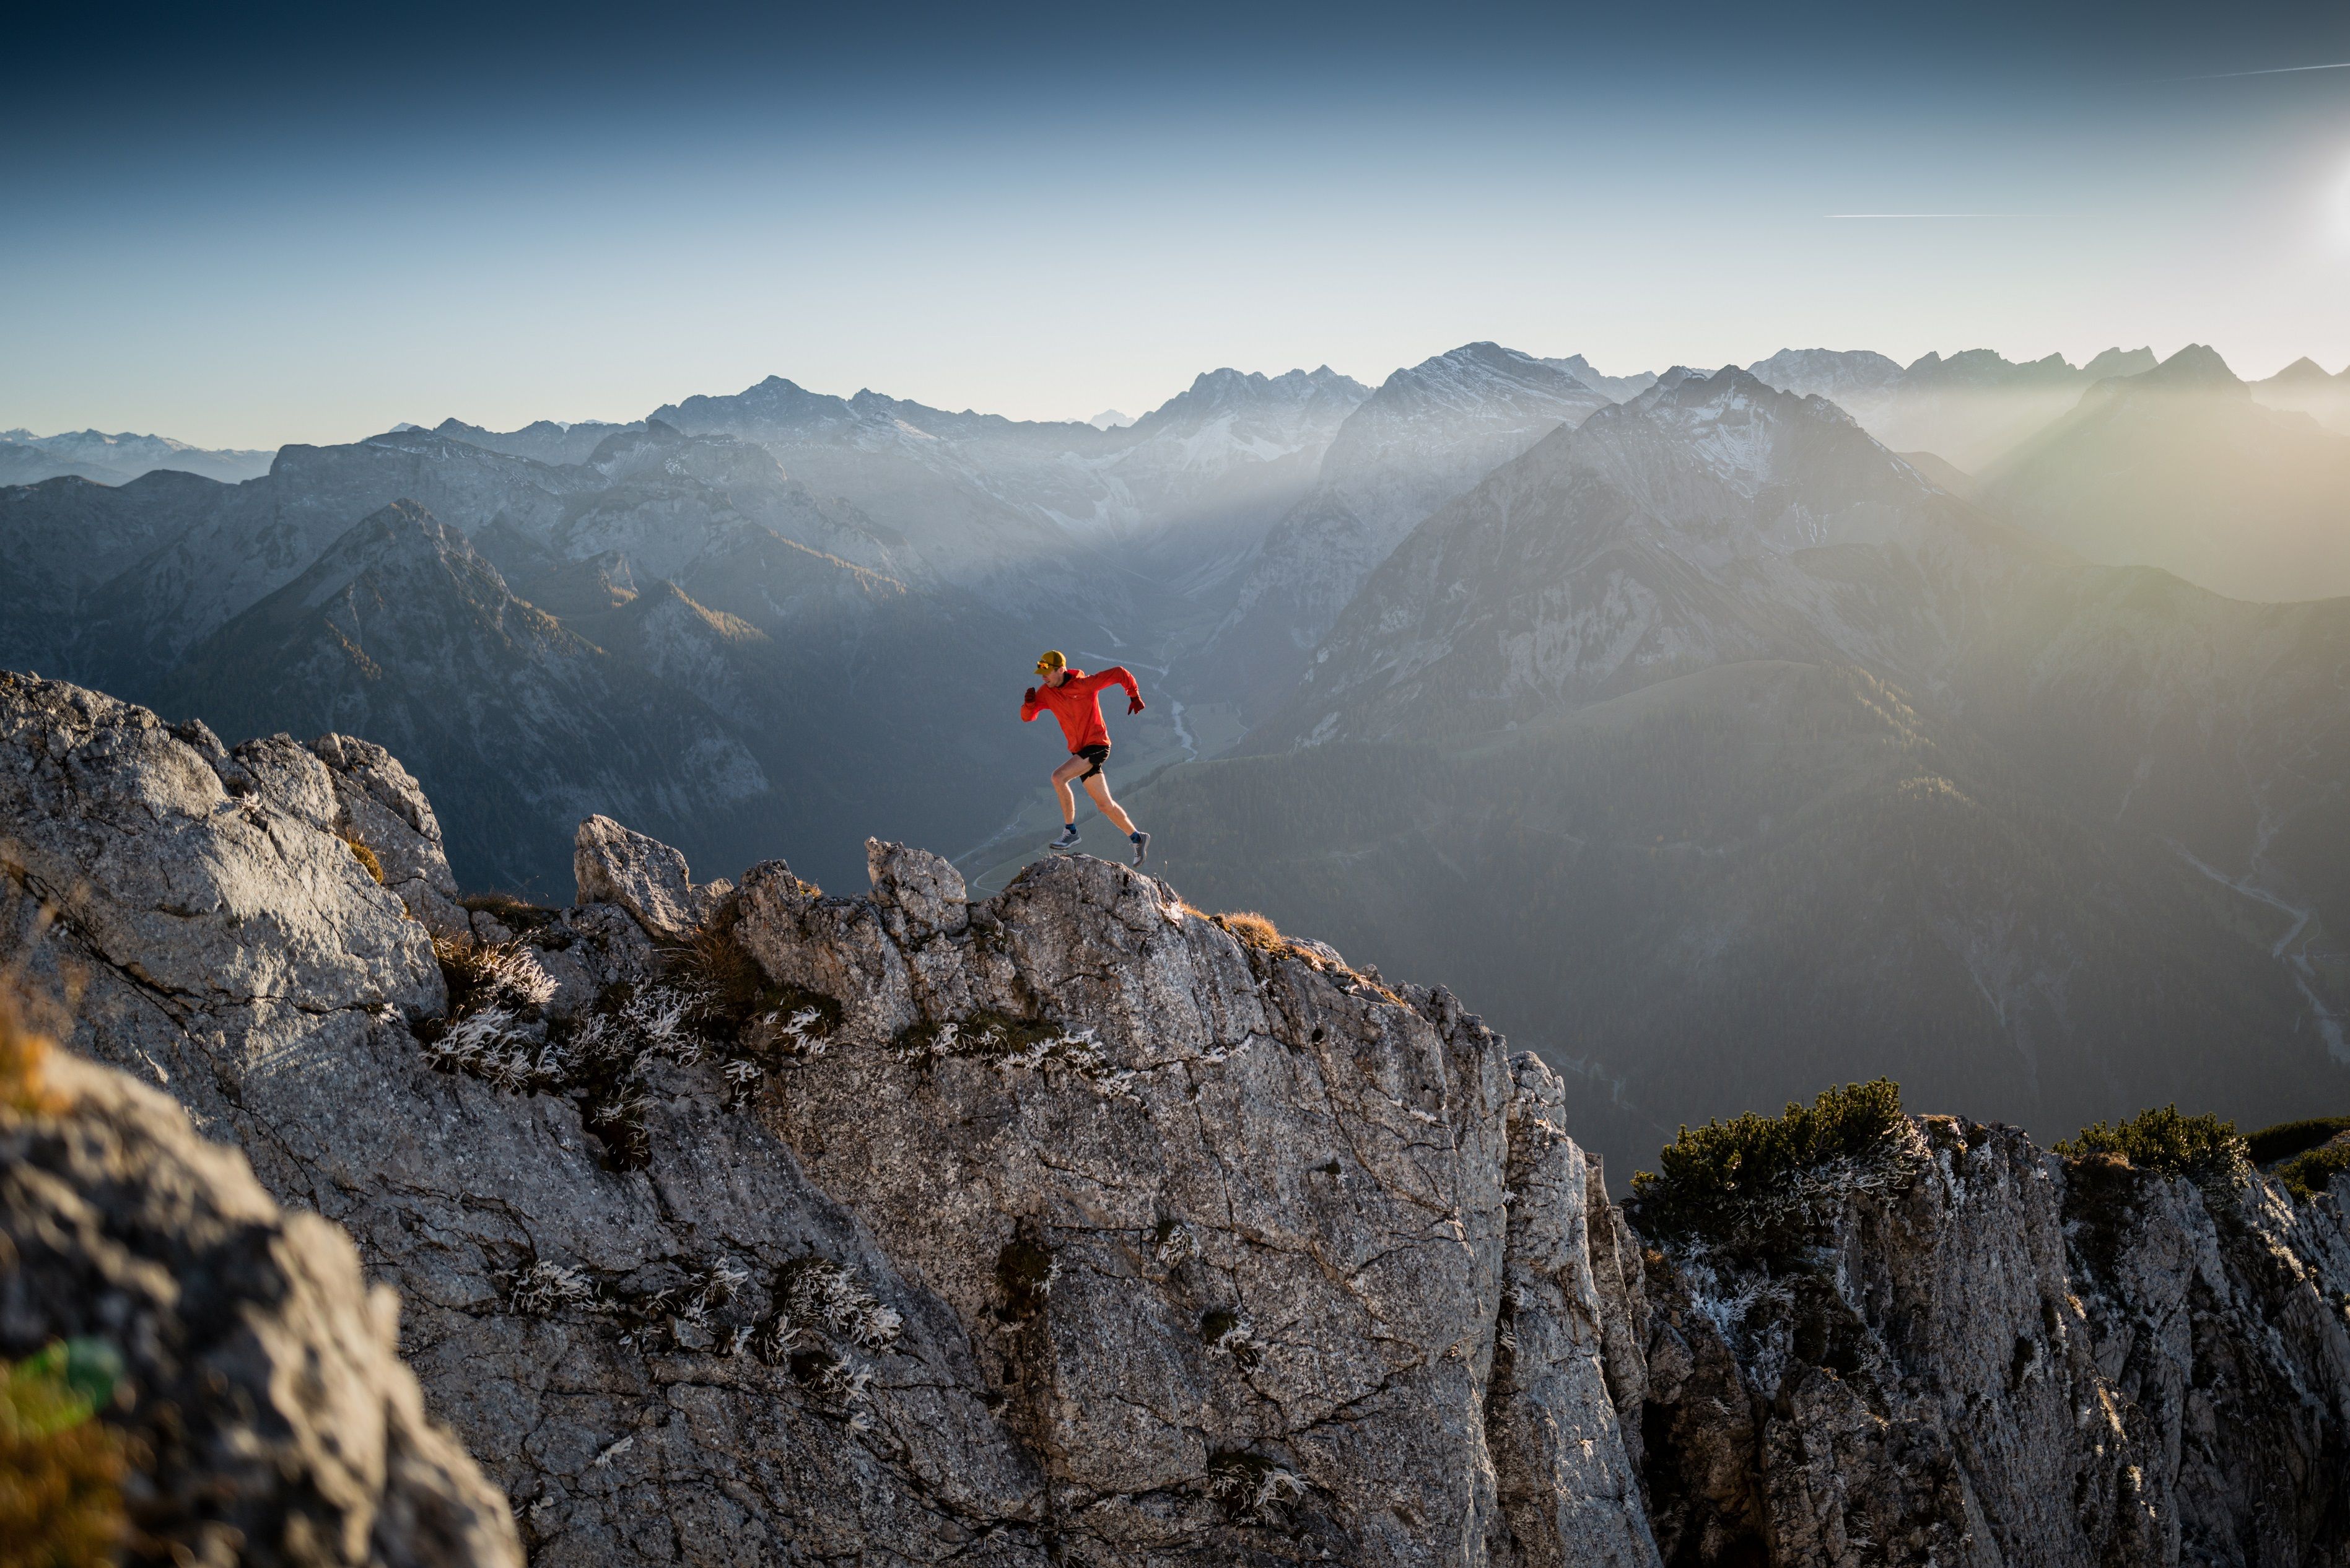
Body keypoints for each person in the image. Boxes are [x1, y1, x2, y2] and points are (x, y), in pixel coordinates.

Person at [1021, 650, 1150, 864]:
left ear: (1060, 670)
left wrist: (1134, 695)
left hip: (1097, 745)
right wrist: (1029, 704)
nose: (1043, 677)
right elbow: (1028, 717)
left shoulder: (1085, 684)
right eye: (1041, 673)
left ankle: (1071, 831)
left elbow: (1119, 673)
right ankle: (1138, 839)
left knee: (1058, 777)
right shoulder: (1047, 693)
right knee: (1105, 805)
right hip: (1079, 752)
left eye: (1047, 672)